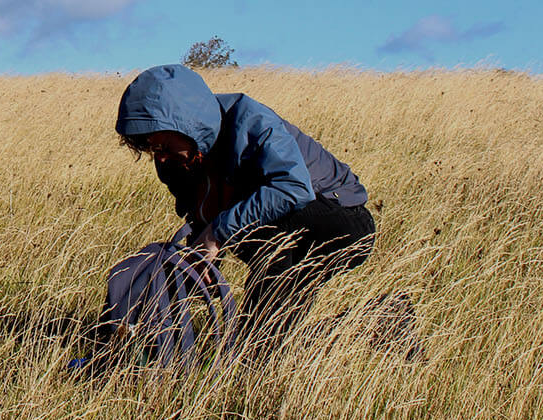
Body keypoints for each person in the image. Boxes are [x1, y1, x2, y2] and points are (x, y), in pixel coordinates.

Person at [114, 64, 377, 363]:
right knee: (270, 326)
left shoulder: (250, 120)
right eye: (148, 147)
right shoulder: (174, 161)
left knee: (268, 261)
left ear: (186, 123)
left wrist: (214, 236)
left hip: (339, 220)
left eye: (161, 144)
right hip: (272, 229)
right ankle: (377, 321)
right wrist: (201, 263)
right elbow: (201, 217)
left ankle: (253, 358)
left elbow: (293, 189)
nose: (158, 156)